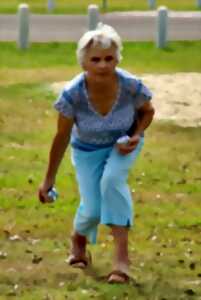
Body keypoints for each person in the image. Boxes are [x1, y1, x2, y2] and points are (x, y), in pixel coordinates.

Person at [38, 23, 155, 284]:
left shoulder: (131, 85)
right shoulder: (72, 94)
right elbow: (61, 137)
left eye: (109, 59)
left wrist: (136, 134)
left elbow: (148, 111)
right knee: (92, 209)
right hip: (86, 150)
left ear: (117, 59)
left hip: (122, 145)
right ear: (83, 63)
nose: (103, 65)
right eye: (96, 60)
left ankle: (121, 262)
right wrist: (48, 180)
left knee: (112, 181)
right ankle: (78, 239)